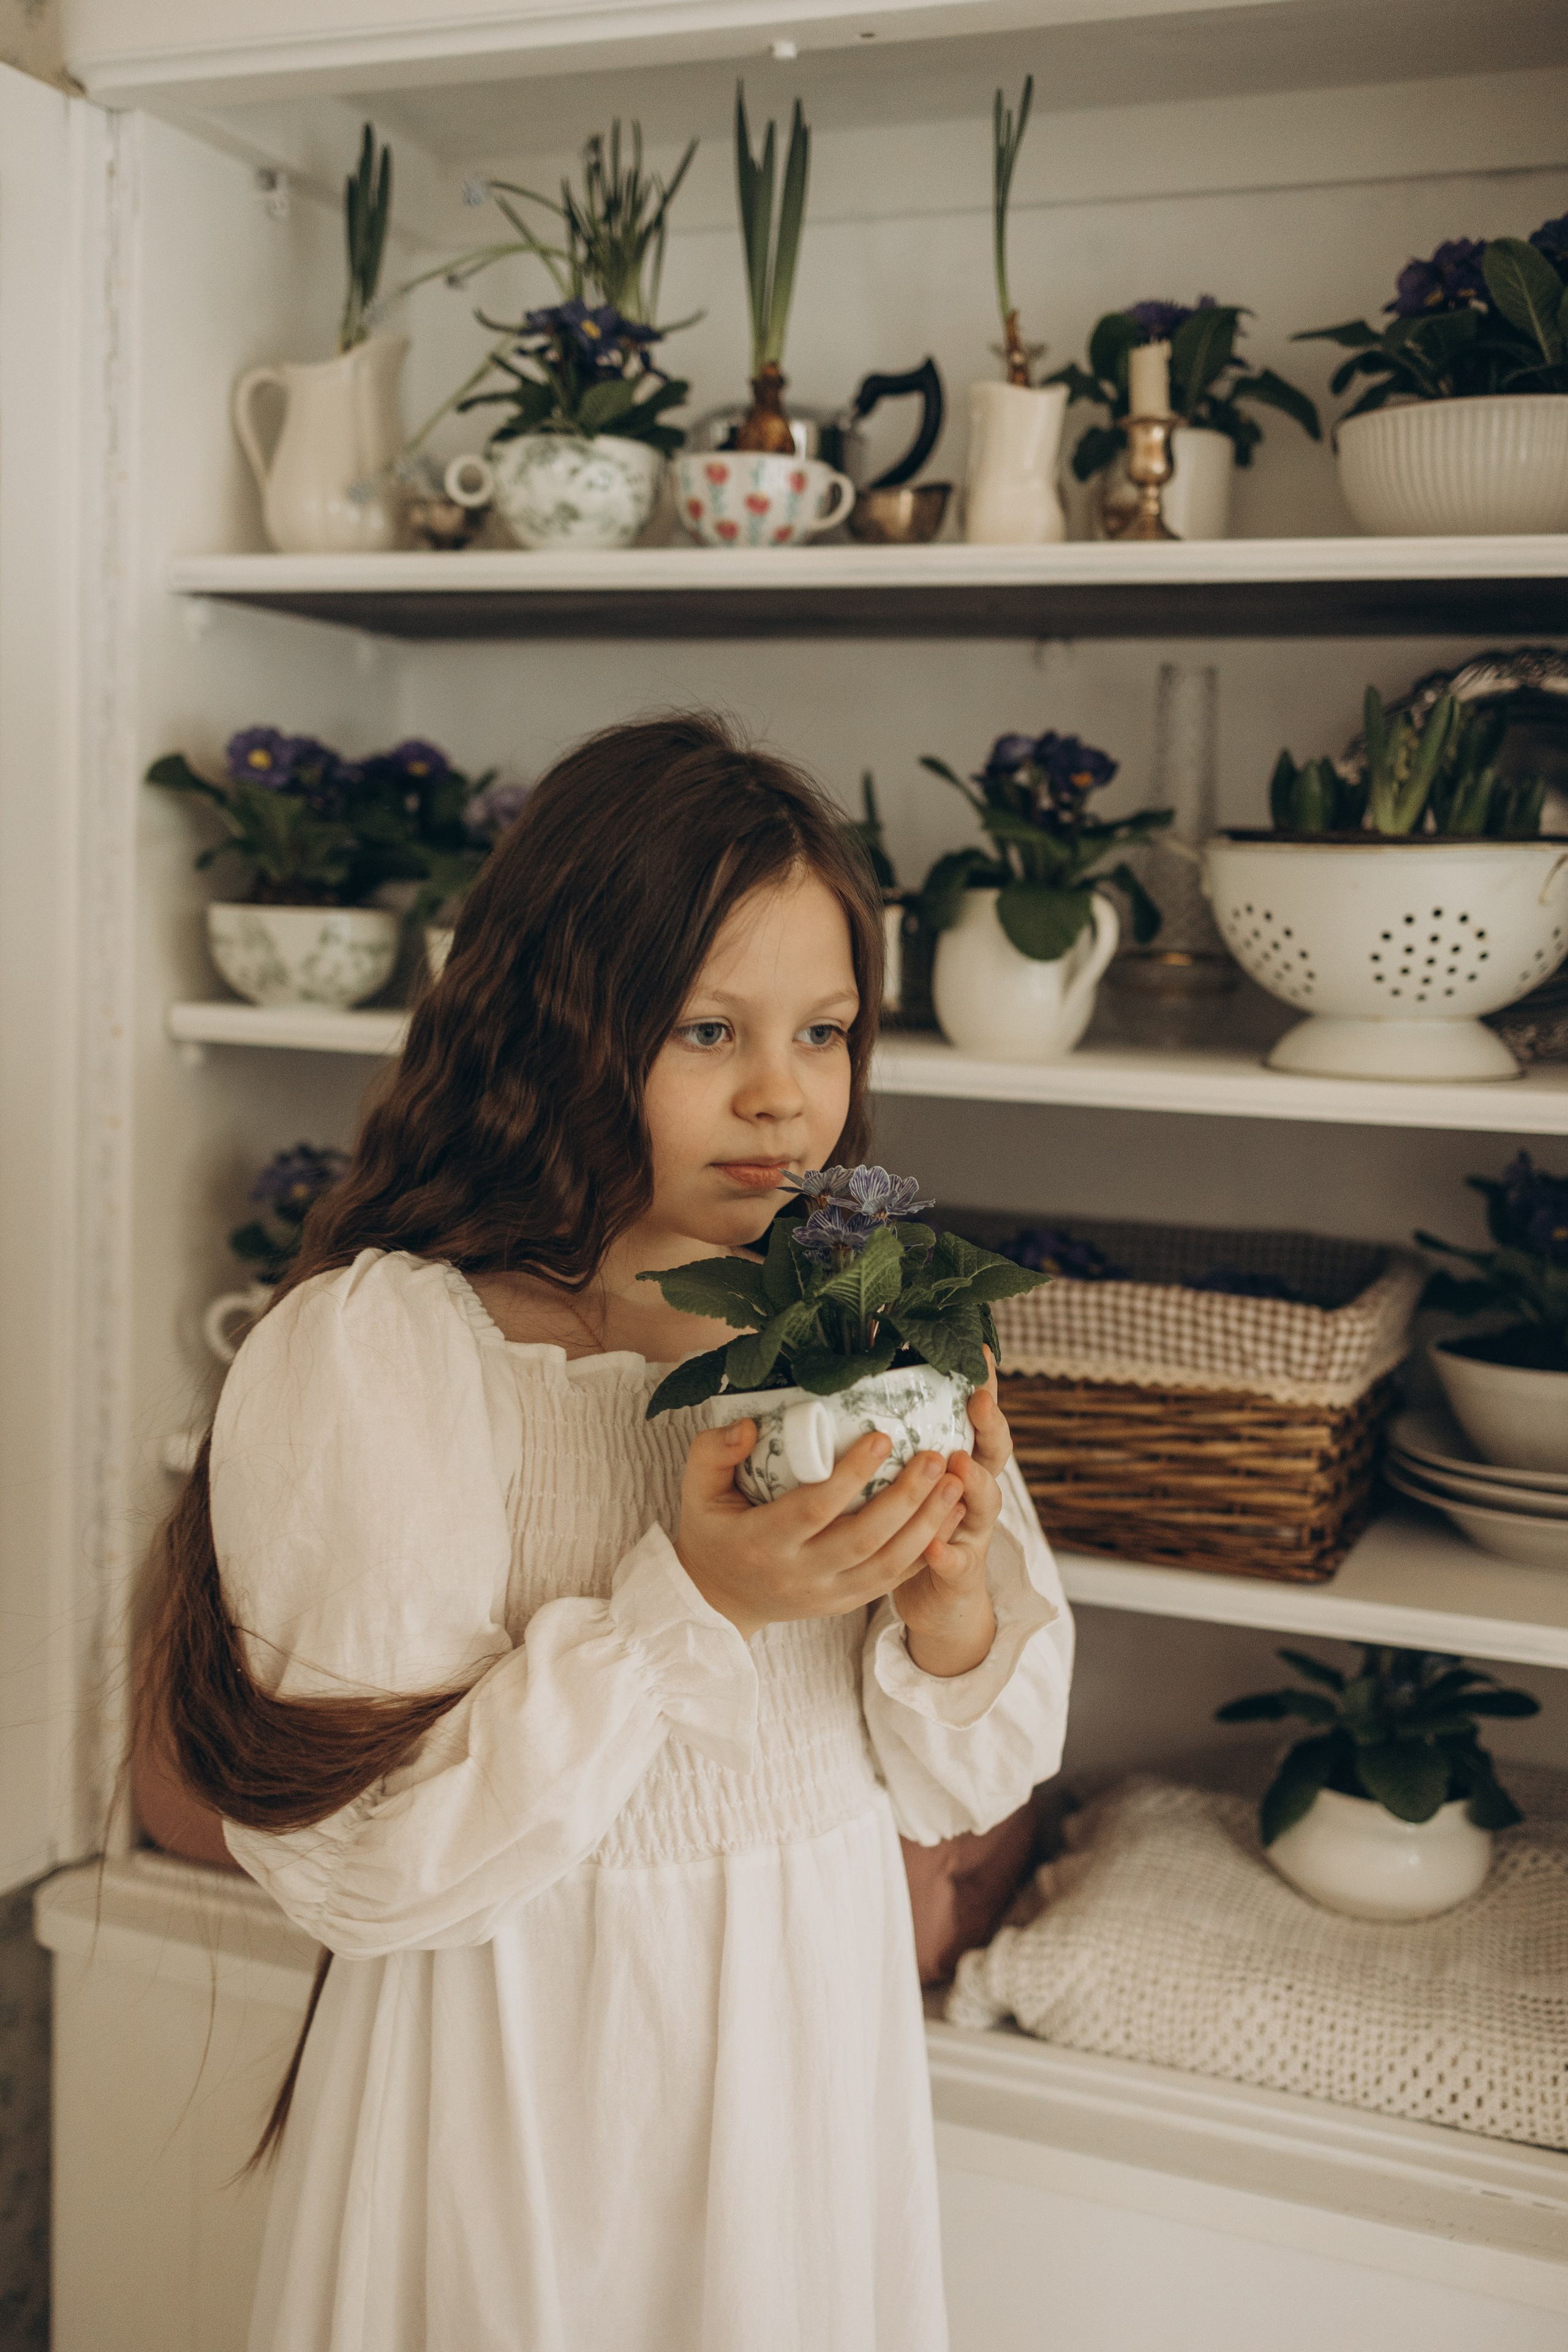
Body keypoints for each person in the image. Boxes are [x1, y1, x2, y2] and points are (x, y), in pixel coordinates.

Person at [140, 712, 1073, 2352]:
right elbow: (358, 1864)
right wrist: (686, 1608)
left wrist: (945, 1606)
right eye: (709, 1029)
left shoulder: (864, 1330)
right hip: (519, 2079)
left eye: (829, 1031)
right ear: (559, 1024)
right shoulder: (392, 1355)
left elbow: (973, 1767)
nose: (787, 1099)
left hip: (802, 2056)